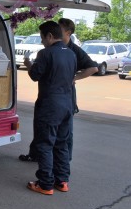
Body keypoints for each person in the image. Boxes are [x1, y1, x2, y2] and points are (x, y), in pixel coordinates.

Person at [19, 18, 98, 162]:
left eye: (59, 29)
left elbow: (93, 68)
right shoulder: (63, 52)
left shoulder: (73, 51)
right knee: (44, 132)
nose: (56, 31)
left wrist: (74, 79)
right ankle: (43, 160)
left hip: (58, 100)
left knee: (61, 137)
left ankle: (57, 167)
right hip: (58, 99)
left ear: (68, 33)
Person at [23, 21, 76, 195]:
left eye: (42, 38)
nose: (42, 42)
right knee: (61, 144)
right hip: (67, 104)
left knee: (45, 144)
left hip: (50, 106)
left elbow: (35, 75)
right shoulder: (71, 54)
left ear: (50, 36)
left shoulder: (45, 53)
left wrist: (28, 63)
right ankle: (62, 181)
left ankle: (45, 183)